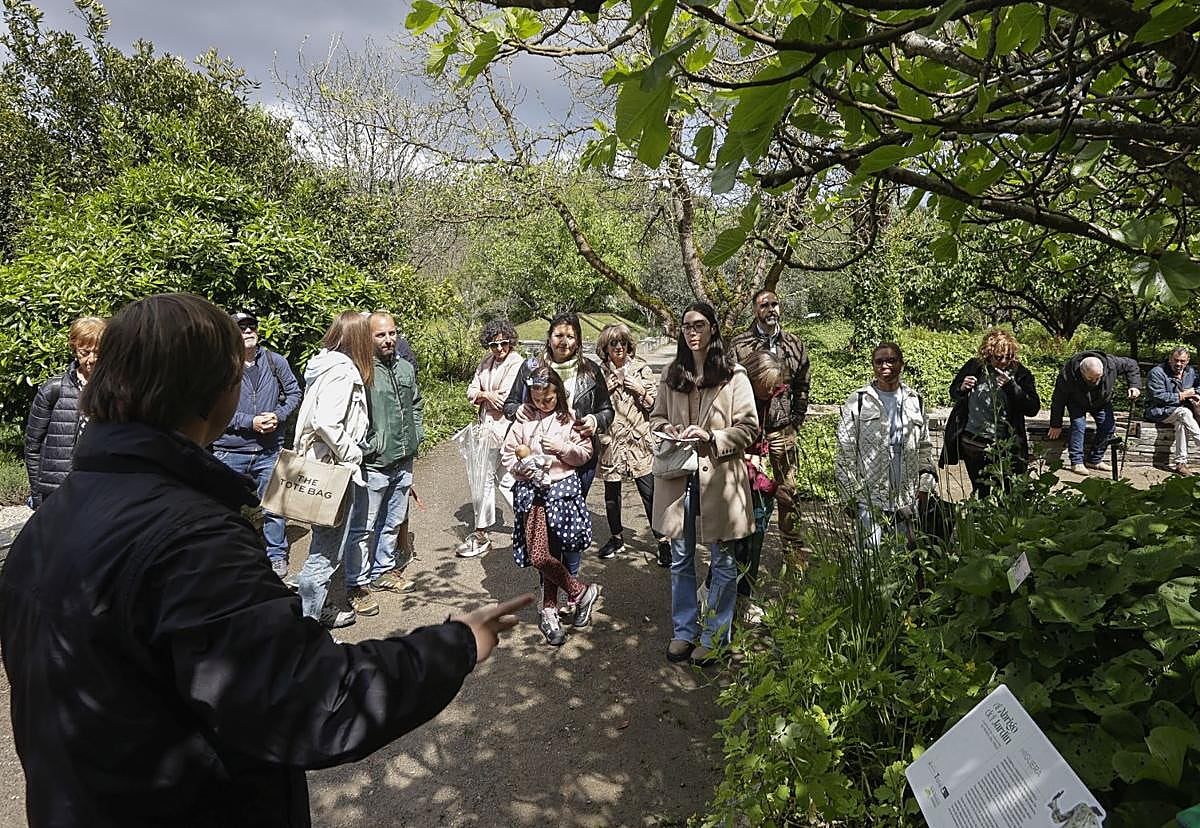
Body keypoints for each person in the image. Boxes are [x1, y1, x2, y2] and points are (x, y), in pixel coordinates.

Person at [0, 292, 531, 827]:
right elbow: (310, 700)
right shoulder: (193, 539)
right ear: (216, 392)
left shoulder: (44, 529)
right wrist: (454, 643)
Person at [651, 302, 758, 667]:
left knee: (723, 561)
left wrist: (712, 436)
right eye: (685, 326)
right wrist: (669, 429)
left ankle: (714, 635)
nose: (691, 331)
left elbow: (748, 428)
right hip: (679, 476)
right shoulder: (672, 374)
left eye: (698, 325)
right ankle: (684, 630)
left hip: (721, 479)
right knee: (680, 558)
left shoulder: (734, 376)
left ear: (713, 328)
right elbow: (657, 417)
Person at [500, 362, 601, 646]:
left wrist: (562, 450)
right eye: (536, 398)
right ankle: (580, 591)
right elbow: (508, 455)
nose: (542, 404)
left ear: (558, 393)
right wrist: (525, 465)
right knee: (540, 556)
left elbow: (584, 453)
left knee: (556, 550)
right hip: (532, 495)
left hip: (561, 493)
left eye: (548, 399)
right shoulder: (523, 419)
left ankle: (549, 611)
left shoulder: (569, 418)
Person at [337, 312, 424, 618]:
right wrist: (368, 447)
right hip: (374, 464)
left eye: (392, 333)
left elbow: (416, 403)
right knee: (362, 527)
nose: (388, 339)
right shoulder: (361, 371)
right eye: (380, 335)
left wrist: (417, 434)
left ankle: (383, 570)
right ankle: (356, 585)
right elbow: (348, 416)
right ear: (367, 337)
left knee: (393, 520)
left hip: (403, 458)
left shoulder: (403, 367)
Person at [293, 311, 374, 630]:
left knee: (321, 545)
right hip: (333, 472)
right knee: (326, 554)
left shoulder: (324, 364)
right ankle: (307, 630)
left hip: (323, 467)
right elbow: (326, 421)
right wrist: (352, 452)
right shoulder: (341, 371)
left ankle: (315, 609)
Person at [211, 311, 302, 578]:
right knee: (225, 509)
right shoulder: (221, 367)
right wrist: (249, 422)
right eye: (241, 328)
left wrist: (280, 415)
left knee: (274, 506)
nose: (248, 331)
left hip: (269, 450)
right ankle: (232, 558)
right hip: (230, 450)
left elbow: (294, 391)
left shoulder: (275, 361)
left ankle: (276, 555)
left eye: (252, 326)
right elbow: (213, 407)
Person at [729, 289, 810, 558]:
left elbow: (802, 386)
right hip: (750, 432)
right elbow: (729, 387)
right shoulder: (740, 345)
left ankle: (793, 552)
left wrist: (795, 420)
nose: (771, 309)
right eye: (765, 305)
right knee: (750, 488)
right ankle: (746, 552)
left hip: (782, 429)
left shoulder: (794, 344)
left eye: (775, 304)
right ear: (755, 310)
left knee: (788, 491)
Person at [834, 343, 936, 551]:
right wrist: (850, 495)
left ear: (902, 364)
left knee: (903, 558)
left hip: (906, 496)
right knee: (869, 557)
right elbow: (845, 451)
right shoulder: (859, 400)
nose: (885, 366)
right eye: (879, 361)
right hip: (869, 497)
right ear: (873, 366)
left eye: (891, 360)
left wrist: (924, 486)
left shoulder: (915, 401)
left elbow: (925, 448)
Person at [503, 311, 614, 502]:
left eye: (570, 336)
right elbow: (510, 404)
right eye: (559, 336)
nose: (564, 342)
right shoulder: (530, 367)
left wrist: (596, 421)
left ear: (578, 340)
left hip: (578, 454)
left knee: (569, 510)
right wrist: (518, 409)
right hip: (537, 458)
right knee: (538, 514)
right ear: (549, 337)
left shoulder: (591, 371)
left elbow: (607, 410)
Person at [595, 323, 672, 566]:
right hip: (611, 441)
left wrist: (640, 391)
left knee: (649, 493)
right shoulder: (598, 373)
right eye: (613, 344)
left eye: (623, 343)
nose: (619, 347)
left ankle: (663, 541)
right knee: (612, 495)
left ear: (629, 345)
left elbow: (656, 407)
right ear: (605, 348)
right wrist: (605, 390)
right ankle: (616, 538)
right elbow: (589, 406)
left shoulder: (641, 369)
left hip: (639, 441)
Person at [941, 329, 1040, 497]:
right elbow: (954, 392)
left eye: (1008, 357)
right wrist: (962, 387)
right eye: (998, 357)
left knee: (1009, 492)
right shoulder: (975, 366)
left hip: (1005, 446)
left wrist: (1012, 388)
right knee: (981, 492)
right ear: (988, 354)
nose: (1003, 361)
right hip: (974, 442)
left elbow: (1032, 408)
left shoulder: (1020, 373)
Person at [23, 316, 105, 509]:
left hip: (100, 489)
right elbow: (32, 446)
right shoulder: (53, 389)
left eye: (98, 352)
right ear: (74, 349)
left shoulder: (117, 393)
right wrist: (37, 494)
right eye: (85, 352)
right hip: (58, 492)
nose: (91, 359)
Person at [460, 318, 524, 558]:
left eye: (504, 343)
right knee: (499, 479)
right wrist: (486, 395)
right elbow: (471, 392)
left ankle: (482, 530)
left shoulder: (516, 363)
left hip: (505, 430)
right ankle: (523, 521)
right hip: (486, 428)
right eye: (494, 344)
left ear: (511, 342)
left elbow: (504, 400)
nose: (499, 349)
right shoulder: (485, 363)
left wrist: (482, 396)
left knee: (491, 478)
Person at [732, 350, 786, 623]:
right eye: (766, 389)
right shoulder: (736, 400)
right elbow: (735, 453)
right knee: (735, 547)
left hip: (760, 482)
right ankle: (720, 602)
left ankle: (744, 599)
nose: (771, 393)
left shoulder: (768, 398)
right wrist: (770, 485)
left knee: (754, 545)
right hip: (740, 483)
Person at [1047, 351, 1141, 474]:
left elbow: (1132, 365)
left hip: (1101, 400)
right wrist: (1055, 424)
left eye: (1099, 377)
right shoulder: (1067, 375)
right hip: (1077, 402)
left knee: (1108, 427)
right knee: (1078, 426)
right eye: (1091, 378)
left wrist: (1134, 386)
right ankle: (1077, 462)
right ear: (1081, 372)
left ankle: (1094, 460)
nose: (1096, 381)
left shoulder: (1111, 364)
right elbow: (1058, 400)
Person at [1145, 346, 1200, 476]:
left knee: (1181, 424)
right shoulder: (1157, 372)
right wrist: (1183, 395)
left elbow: (1198, 386)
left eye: (1182, 361)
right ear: (1170, 359)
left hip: (1179, 412)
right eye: (1176, 360)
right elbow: (1158, 396)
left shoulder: (1190, 372)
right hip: (1158, 410)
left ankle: (1181, 464)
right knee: (1184, 413)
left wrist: (1196, 393)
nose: (1179, 364)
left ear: (1187, 361)